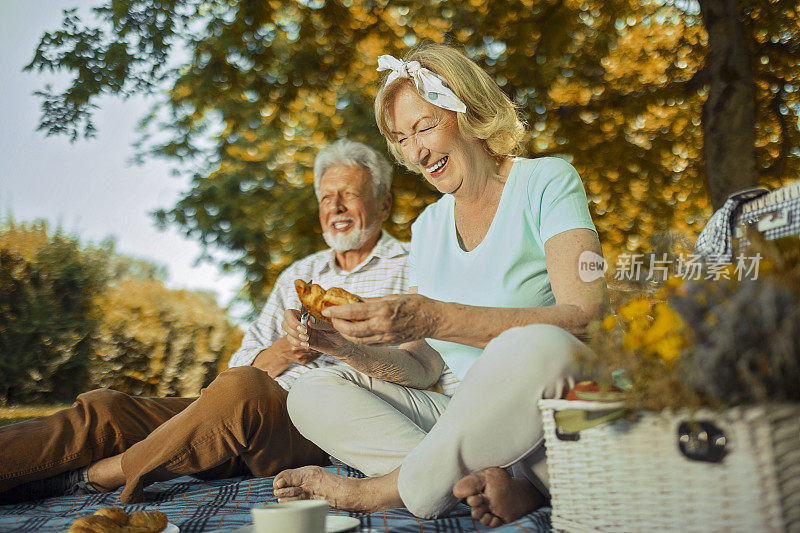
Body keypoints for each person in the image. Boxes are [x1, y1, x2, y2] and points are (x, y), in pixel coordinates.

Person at [0, 139, 444, 505]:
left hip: (316, 422)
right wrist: (286, 350)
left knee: (242, 390)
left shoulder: (414, 266)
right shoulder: (299, 275)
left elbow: (421, 369)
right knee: (106, 409)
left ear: (383, 204)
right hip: (237, 410)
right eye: (327, 197)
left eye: (350, 194)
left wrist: (342, 345)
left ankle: (99, 476)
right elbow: (241, 361)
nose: (337, 206)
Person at [271, 43, 606, 528]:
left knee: (540, 344)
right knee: (310, 392)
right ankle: (493, 483)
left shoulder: (548, 181)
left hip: (549, 421)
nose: (416, 152)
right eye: (402, 138)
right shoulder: (428, 227)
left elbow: (585, 318)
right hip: (463, 427)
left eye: (425, 126)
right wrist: (341, 345)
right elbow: (423, 366)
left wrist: (435, 315)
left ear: (467, 112)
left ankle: (383, 491)